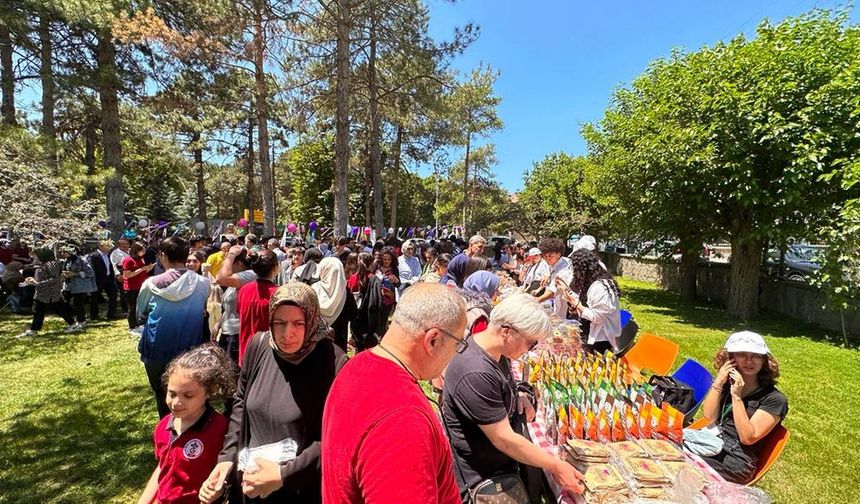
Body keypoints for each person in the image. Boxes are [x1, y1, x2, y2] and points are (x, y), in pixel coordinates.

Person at [200, 283, 348, 504]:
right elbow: (240, 403)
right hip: (252, 484)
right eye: (280, 323)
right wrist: (227, 458)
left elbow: (336, 437)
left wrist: (284, 475)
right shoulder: (259, 346)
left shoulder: (334, 362)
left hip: (302, 489)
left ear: (313, 319)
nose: (288, 334)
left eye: (298, 323)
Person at [321, 283, 467, 503]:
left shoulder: (358, 364)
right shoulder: (402, 417)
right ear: (433, 340)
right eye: (458, 344)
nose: (457, 353)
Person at [442, 293, 585, 499]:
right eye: (531, 343)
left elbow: (500, 385)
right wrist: (555, 464)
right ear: (507, 331)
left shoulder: (494, 351)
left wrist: (517, 394)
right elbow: (504, 439)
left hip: (497, 467)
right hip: (481, 480)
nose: (529, 351)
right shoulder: (476, 372)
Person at [138, 344, 235, 504]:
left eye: (188, 395)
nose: (176, 402)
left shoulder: (220, 429)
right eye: (172, 393)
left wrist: (219, 489)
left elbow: (227, 474)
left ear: (209, 391)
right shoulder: (163, 426)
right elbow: (163, 468)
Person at [699, 331, 788, 484]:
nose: (749, 361)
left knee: (679, 467)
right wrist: (719, 383)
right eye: (742, 355)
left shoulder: (775, 399)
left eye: (756, 356)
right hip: (712, 441)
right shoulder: (727, 383)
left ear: (764, 360)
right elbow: (709, 417)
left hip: (736, 460)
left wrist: (737, 397)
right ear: (730, 358)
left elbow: (747, 438)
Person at [138, 237, 211, 418]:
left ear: (162, 255)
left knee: (163, 396)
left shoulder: (151, 284)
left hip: (157, 350)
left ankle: (168, 434)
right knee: (192, 394)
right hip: (191, 350)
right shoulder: (203, 283)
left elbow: (142, 311)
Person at [559, 249, 622, 353]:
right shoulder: (593, 283)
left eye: (575, 269)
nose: (574, 273)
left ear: (583, 269)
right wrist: (575, 307)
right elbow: (589, 308)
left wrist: (577, 304)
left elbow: (598, 317)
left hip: (601, 340)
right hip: (593, 335)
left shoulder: (600, 287)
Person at [17, 246, 77, 337]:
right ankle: (34, 329)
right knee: (38, 310)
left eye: (35, 255)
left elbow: (55, 279)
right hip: (42, 293)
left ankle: (73, 324)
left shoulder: (51, 264)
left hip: (51, 293)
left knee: (59, 309)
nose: (33, 257)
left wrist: (37, 283)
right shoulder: (43, 264)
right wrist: (31, 281)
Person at [236, 249, 280, 365]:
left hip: (245, 353)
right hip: (268, 356)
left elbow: (239, 314)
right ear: (275, 268)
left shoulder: (243, 290)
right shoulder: (279, 293)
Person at [215, 246, 257, 366]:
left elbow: (220, 278)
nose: (225, 264)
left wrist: (231, 255)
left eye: (229, 262)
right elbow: (229, 308)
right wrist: (219, 323)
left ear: (238, 263)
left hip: (237, 335)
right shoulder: (236, 278)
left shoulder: (249, 275)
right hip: (228, 333)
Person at [313, 257, 355, 352]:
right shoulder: (345, 292)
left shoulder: (314, 290)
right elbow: (353, 314)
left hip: (317, 340)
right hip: (339, 340)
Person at [348, 252, 385, 352]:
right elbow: (378, 301)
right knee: (370, 350)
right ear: (371, 263)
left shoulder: (352, 278)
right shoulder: (375, 279)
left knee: (358, 349)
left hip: (356, 318)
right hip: (370, 319)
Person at [534, 238, 573, 320]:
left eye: (550, 256)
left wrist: (537, 300)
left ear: (558, 254)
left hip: (567, 303)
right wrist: (547, 276)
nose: (547, 259)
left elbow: (552, 290)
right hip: (556, 301)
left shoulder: (564, 268)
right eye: (545, 256)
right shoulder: (553, 262)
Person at [63, 247, 96, 330]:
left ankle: (81, 321)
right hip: (69, 286)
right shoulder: (67, 261)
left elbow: (90, 272)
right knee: (64, 301)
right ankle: (74, 317)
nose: (62, 253)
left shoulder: (82, 260)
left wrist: (75, 274)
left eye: (64, 252)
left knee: (78, 304)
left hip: (80, 286)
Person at [123, 243, 154, 332]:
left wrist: (148, 268)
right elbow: (127, 275)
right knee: (131, 308)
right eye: (142, 250)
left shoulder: (141, 259)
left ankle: (137, 324)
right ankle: (132, 327)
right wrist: (141, 269)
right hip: (131, 287)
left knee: (138, 306)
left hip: (140, 286)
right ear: (136, 250)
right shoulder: (128, 260)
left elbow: (143, 271)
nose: (143, 252)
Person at [89, 240, 120, 320]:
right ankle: (94, 315)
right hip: (98, 280)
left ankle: (111, 313)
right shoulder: (93, 256)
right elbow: (92, 268)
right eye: (106, 246)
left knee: (113, 295)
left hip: (108, 279)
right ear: (100, 246)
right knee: (95, 297)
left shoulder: (108, 255)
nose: (108, 248)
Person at [374, 246, 400, 327]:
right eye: (385, 259)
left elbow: (398, 284)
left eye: (389, 259)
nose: (387, 261)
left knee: (385, 320)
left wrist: (396, 280)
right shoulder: (376, 267)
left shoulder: (394, 269)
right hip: (376, 298)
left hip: (388, 300)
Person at [111, 237, 131, 312]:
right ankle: (125, 309)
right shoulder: (115, 253)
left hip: (131, 272)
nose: (125, 246)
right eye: (122, 244)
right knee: (123, 292)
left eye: (126, 244)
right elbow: (113, 265)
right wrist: (118, 275)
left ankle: (131, 307)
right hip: (121, 272)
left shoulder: (130, 251)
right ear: (119, 245)